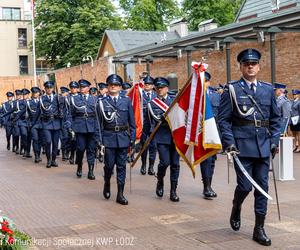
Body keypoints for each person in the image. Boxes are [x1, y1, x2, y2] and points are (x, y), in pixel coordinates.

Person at [218, 48, 281, 246]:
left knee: (262, 187)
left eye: (253, 64)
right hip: (241, 147)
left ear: (259, 66)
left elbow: (276, 119)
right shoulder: (233, 90)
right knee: (245, 186)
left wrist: (274, 140)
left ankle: (259, 228)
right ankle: (236, 206)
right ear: (241, 67)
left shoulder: (267, 89)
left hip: (263, 145)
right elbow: (224, 120)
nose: (250, 67)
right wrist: (229, 142)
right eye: (247, 64)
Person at [97, 74, 136, 205]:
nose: (113, 87)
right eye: (111, 85)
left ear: (120, 87)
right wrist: (100, 140)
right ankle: (107, 182)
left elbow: (132, 122)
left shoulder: (126, 101)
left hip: (123, 138)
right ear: (107, 87)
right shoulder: (101, 102)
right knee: (109, 166)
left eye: (116, 85)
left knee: (122, 166)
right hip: (108, 137)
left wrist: (133, 138)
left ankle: (120, 194)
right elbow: (98, 123)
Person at [148, 77, 180, 202]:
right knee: (165, 162)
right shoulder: (152, 104)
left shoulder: (176, 101)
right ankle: (160, 180)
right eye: (158, 88)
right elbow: (148, 123)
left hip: (176, 136)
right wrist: (143, 140)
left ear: (167, 88)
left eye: (162, 87)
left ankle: (173, 191)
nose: (160, 90)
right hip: (162, 137)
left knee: (175, 165)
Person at [66, 79, 100, 180]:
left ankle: (90, 171)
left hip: (91, 127)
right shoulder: (75, 99)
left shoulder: (95, 99)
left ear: (88, 88)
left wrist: (98, 129)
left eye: (84, 87)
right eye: (80, 87)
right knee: (80, 149)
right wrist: (69, 126)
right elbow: (70, 114)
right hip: (80, 127)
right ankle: (79, 165)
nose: (81, 89)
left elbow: (97, 116)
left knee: (91, 150)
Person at [199, 72, 220, 199]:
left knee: (212, 161)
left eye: (205, 81)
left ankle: (209, 184)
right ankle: (206, 186)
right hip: (202, 133)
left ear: (208, 82)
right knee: (205, 160)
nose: (204, 83)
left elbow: (222, 116)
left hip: (215, 132)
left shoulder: (216, 97)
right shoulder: (195, 98)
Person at [37, 81, 63, 168]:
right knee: (48, 142)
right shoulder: (41, 98)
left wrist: (61, 115)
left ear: (52, 88)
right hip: (46, 123)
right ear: (45, 89)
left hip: (56, 123)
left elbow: (62, 109)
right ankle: (48, 160)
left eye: (50, 88)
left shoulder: (58, 98)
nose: (49, 89)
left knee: (55, 143)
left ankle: (53, 160)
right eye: (47, 88)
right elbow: (38, 111)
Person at [140, 75, 157, 175]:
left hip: (154, 126)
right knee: (144, 147)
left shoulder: (156, 95)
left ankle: (151, 166)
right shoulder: (139, 95)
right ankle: (143, 165)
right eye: (146, 84)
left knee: (153, 147)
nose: (147, 85)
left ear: (152, 85)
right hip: (143, 126)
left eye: (149, 84)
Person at [28, 87, 43, 163]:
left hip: (42, 124)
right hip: (33, 124)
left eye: (36, 92)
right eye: (33, 92)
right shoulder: (29, 102)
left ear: (39, 93)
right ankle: (36, 155)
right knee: (35, 139)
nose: (35, 94)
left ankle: (39, 154)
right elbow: (23, 112)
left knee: (40, 140)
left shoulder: (42, 101)